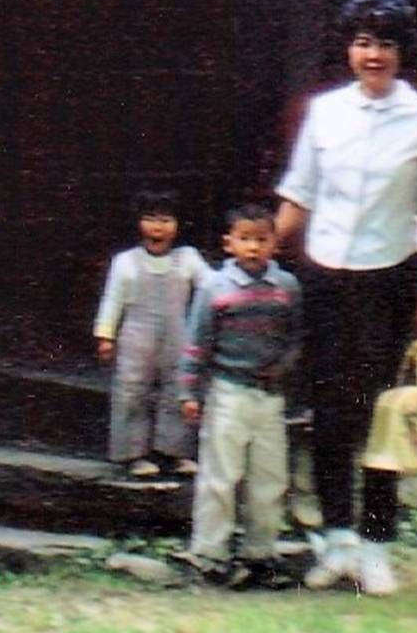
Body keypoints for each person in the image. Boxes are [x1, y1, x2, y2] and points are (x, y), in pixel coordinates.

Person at [274, 0, 417, 596]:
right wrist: (257, 260)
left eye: (384, 43)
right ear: (348, 49)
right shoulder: (324, 112)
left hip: (390, 278)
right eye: (362, 42)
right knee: (328, 410)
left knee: (381, 417)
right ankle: (337, 540)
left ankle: (378, 547)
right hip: (325, 275)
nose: (372, 54)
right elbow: (298, 194)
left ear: (403, 51)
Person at [176, 203, 304, 590]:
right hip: (228, 391)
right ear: (228, 243)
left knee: (269, 477)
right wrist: (189, 391)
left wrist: (285, 365)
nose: (253, 247)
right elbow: (196, 342)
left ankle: (260, 554)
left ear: (274, 244)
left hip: (269, 396)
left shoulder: (286, 288)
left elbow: (295, 338)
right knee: (220, 475)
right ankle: (210, 555)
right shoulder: (215, 287)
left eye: (262, 239)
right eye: (244, 239)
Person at [93, 190, 208, 478]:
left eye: (166, 220)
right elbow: (112, 300)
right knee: (132, 391)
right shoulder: (125, 262)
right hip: (136, 338)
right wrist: (106, 336)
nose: (158, 227)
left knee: (178, 389)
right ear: (138, 223)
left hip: (177, 336)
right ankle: (133, 454)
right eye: (150, 219)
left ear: (178, 224)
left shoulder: (188, 259)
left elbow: (212, 288)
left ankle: (174, 452)